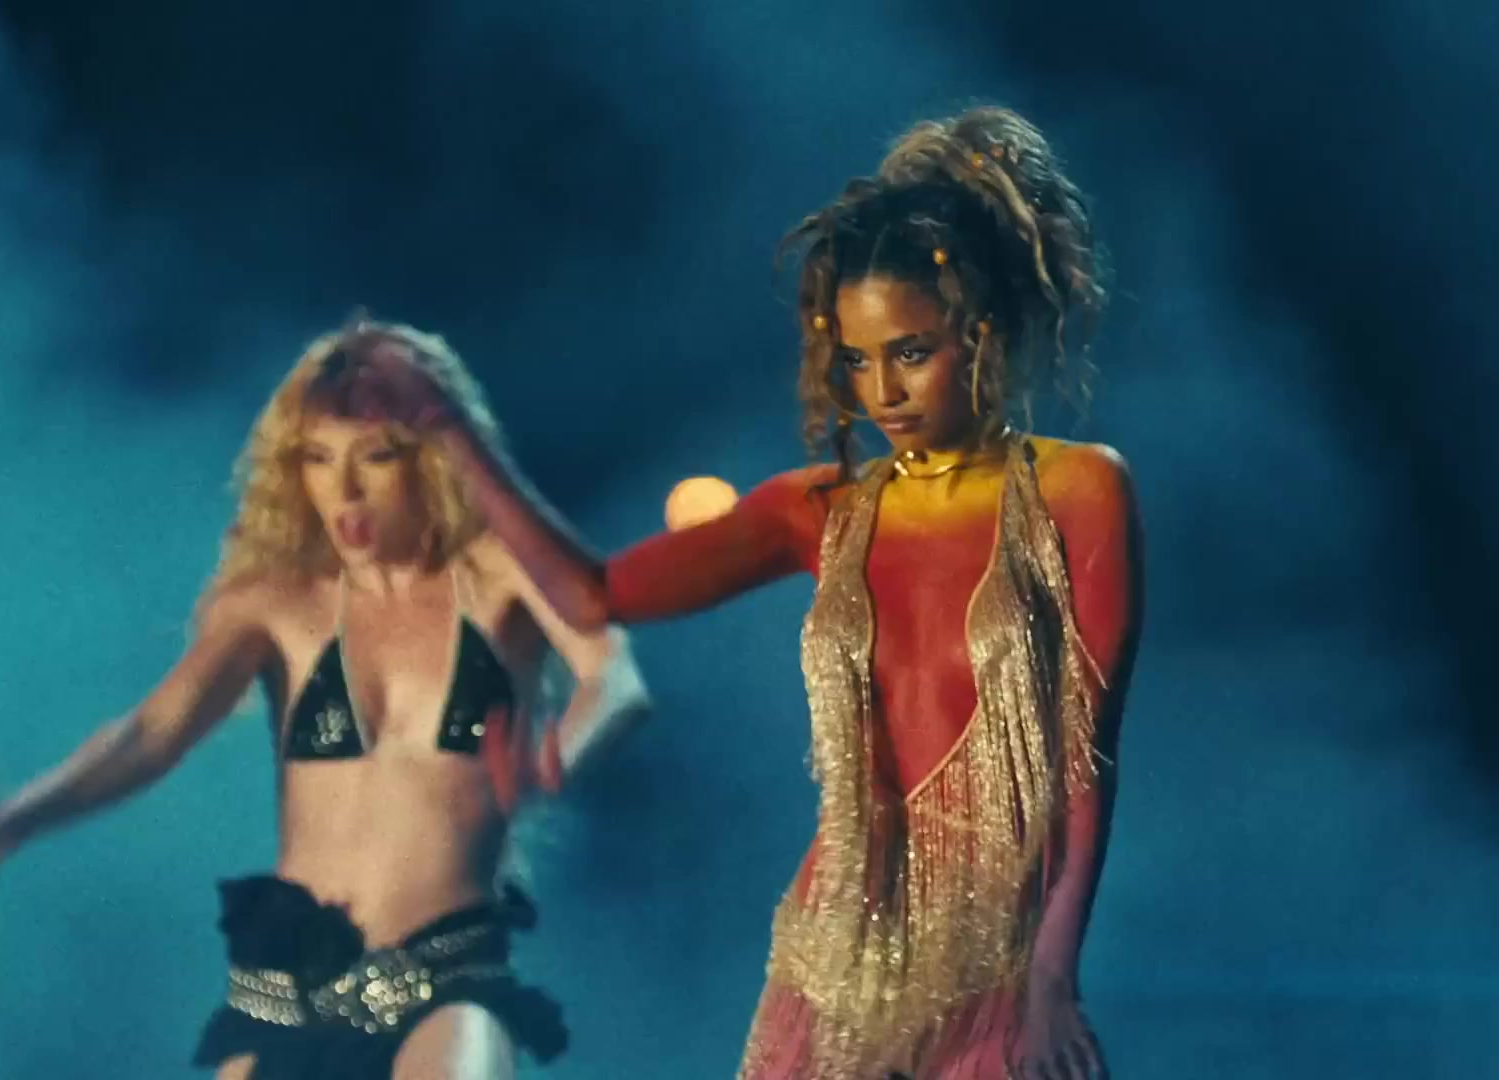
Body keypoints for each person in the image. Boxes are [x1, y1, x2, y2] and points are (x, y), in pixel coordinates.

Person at [401, 105, 1141, 1080]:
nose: (883, 391)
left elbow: (1084, 763)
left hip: (999, 968)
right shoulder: (817, 510)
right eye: (859, 360)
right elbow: (594, 594)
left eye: (912, 351)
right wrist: (454, 436)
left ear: (982, 332)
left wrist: (1051, 976)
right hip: (830, 964)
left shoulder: (1080, 491)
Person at [0, 320, 649, 1079]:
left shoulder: (500, 576)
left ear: (430, 458)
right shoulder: (274, 604)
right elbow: (151, 734)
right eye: (318, 459)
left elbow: (615, 679)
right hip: (288, 988)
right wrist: (18, 817)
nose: (343, 491)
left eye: (374, 458)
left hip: (446, 972)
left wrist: (559, 755)